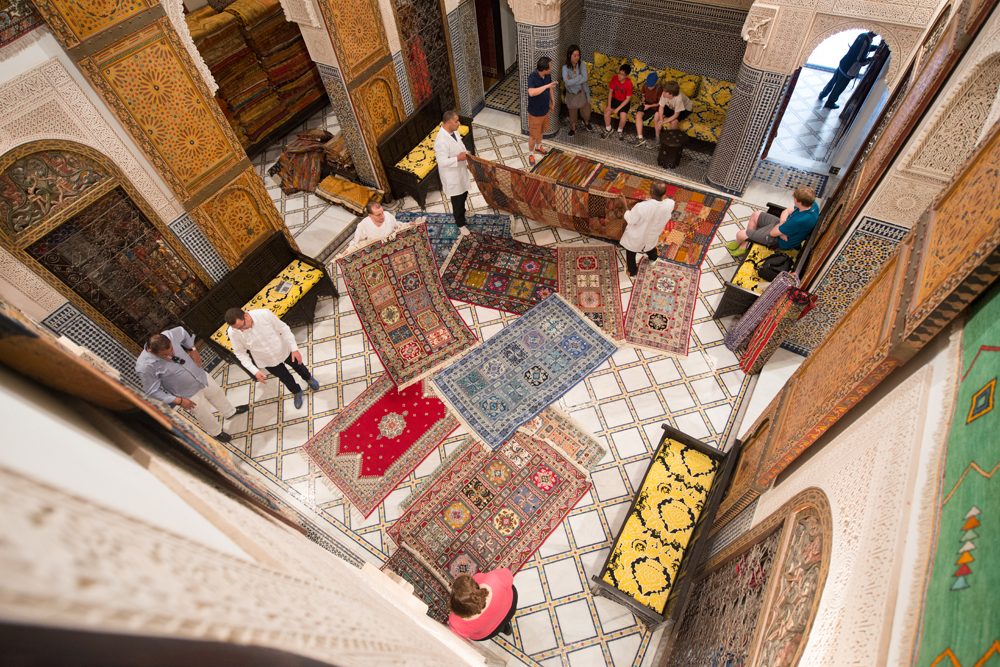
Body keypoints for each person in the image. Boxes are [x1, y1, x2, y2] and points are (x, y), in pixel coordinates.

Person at [136, 327, 247, 443]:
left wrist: (193, 349)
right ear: (151, 350)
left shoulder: (170, 335)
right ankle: (217, 432)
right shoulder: (144, 366)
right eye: (165, 355)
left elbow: (183, 332)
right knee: (204, 413)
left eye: (172, 350)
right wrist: (179, 400)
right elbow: (152, 391)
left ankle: (230, 412)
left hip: (200, 375)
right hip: (187, 394)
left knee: (217, 393)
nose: (171, 355)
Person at [225, 307, 320, 410]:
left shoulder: (263, 314)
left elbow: (283, 329)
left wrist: (294, 349)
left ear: (246, 315)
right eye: (238, 329)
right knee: (285, 378)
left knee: (299, 366)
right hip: (266, 359)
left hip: (283, 349)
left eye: (242, 326)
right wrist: (255, 371)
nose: (241, 330)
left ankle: (308, 378)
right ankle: (297, 391)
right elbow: (240, 353)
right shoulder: (233, 332)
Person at [726, 186, 820, 258]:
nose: (793, 200)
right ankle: (745, 244)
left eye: (794, 198)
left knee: (740, 234)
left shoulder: (798, 220)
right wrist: (782, 224)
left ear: (798, 201)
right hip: (782, 230)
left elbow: (773, 233)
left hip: (780, 241)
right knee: (756, 214)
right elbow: (786, 211)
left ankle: (743, 241)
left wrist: (781, 229)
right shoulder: (812, 205)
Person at [620, 181, 675, 278]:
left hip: (637, 236)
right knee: (650, 246)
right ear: (664, 194)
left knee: (631, 251)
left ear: (651, 191)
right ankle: (653, 259)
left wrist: (624, 204)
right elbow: (664, 202)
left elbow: (630, 219)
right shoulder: (670, 204)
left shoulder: (641, 206)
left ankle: (632, 271)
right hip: (653, 234)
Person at [448, 569, 518, 641]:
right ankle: (504, 626)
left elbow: (460, 636)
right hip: (509, 609)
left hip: (490, 632)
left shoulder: (455, 623)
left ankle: (505, 629)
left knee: (498, 627)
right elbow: (508, 574)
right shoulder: (493, 579)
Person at [434, 110, 472, 234]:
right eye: (456, 121)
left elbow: (460, 146)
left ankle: (463, 211)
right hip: (452, 175)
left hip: (460, 170)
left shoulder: (454, 131)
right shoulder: (441, 141)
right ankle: (460, 223)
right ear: (449, 122)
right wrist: (458, 158)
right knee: (458, 200)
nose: (459, 123)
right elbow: (442, 162)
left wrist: (466, 157)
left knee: (464, 193)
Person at [818, 31, 877, 109]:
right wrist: (871, 59)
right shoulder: (866, 41)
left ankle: (822, 94)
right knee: (839, 88)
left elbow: (861, 49)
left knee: (833, 81)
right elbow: (860, 60)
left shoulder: (862, 35)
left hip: (843, 63)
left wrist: (875, 47)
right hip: (849, 69)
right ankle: (830, 102)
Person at [526, 56, 557, 165]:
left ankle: (539, 147)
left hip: (545, 111)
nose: (551, 68)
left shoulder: (548, 75)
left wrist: (552, 100)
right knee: (533, 135)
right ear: (544, 69)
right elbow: (531, 92)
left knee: (541, 131)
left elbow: (550, 88)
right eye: (550, 67)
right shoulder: (532, 77)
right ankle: (531, 154)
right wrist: (547, 85)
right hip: (535, 113)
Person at [562, 45, 592, 136]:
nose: (577, 58)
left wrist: (572, 81)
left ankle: (586, 122)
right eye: (574, 55)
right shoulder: (565, 67)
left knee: (586, 112)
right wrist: (579, 77)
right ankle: (573, 128)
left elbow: (585, 78)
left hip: (582, 92)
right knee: (572, 112)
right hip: (571, 93)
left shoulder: (581, 64)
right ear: (569, 55)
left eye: (578, 55)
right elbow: (567, 82)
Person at [603, 63, 633, 140]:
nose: (619, 75)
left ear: (626, 76)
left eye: (622, 74)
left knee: (623, 117)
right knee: (606, 112)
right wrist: (609, 106)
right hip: (615, 99)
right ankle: (608, 129)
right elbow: (610, 92)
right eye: (619, 73)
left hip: (624, 102)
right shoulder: (614, 78)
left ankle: (620, 131)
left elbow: (627, 99)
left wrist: (617, 109)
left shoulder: (629, 83)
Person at [633, 72, 663, 146]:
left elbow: (660, 103)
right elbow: (643, 95)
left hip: (655, 107)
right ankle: (640, 138)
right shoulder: (645, 85)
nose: (649, 87)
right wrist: (643, 101)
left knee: (656, 117)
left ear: (655, 83)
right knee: (638, 115)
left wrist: (649, 106)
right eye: (648, 85)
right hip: (646, 104)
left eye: (651, 86)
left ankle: (658, 139)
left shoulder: (659, 89)